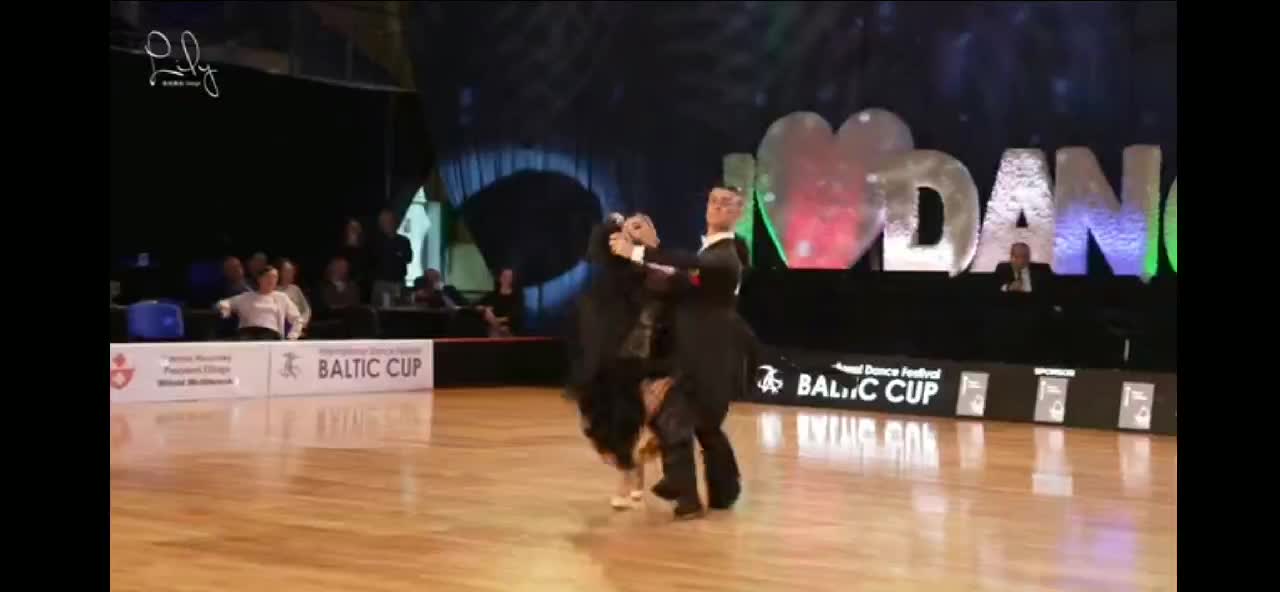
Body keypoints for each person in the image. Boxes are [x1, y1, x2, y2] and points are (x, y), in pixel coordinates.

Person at [609, 186, 756, 518]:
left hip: (709, 354)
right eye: (714, 200)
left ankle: (687, 491)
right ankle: (717, 493)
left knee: (674, 416)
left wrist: (638, 252)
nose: (718, 206)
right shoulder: (710, 251)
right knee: (701, 424)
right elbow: (680, 278)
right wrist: (647, 248)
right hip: (701, 350)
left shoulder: (725, 254)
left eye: (727, 203)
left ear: (738, 213)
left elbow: (687, 266)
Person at [568, 213, 683, 510]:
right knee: (609, 423)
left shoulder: (663, 273)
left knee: (660, 420)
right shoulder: (606, 289)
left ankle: (646, 470)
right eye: (629, 226)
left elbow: (681, 287)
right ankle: (629, 471)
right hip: (617, 363)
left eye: (640, 225)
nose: (632, 229)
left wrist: (646, 249)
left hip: (660, 362)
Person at [217, 265, 304, 340]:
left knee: (266, 337)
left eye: (275, 277)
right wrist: (226, 310)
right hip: (247, 334)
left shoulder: (281, 297)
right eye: (268, 276)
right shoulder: (247, 297)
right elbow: (224, 303)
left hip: (271, 335)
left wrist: (293, 336)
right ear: (259, 279)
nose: (271, 280)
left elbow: (297, 319)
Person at [371, 209, 413, 307]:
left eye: (389, 221)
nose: (387, 224)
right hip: (381, 282)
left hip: (398, 282)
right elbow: (372, 260)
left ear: (395, 222)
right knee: (380, 309)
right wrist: (397, 254)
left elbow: (408, 258)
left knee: (399, 309)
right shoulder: (375, 241)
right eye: (384, 222)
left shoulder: (404, 241)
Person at [479, 268, 524, 337]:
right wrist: (484, 310)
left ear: (512, 279)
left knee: (505, 330)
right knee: (488, 315)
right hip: (494, 329)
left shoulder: (517, 296)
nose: (506, 279)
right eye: (505, 276)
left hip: (510, 328)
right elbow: (486, 314)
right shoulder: (493, 295)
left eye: (509, 277)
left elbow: (514, 316)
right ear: (500, 278)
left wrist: (497, 320)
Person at [276, 258, 312, 329]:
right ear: (279, 272)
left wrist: (302, 322)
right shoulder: (273, 290)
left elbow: (306, 309)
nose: (291, 274)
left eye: (292, 271)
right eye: (287, 271)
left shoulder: (295, 289)